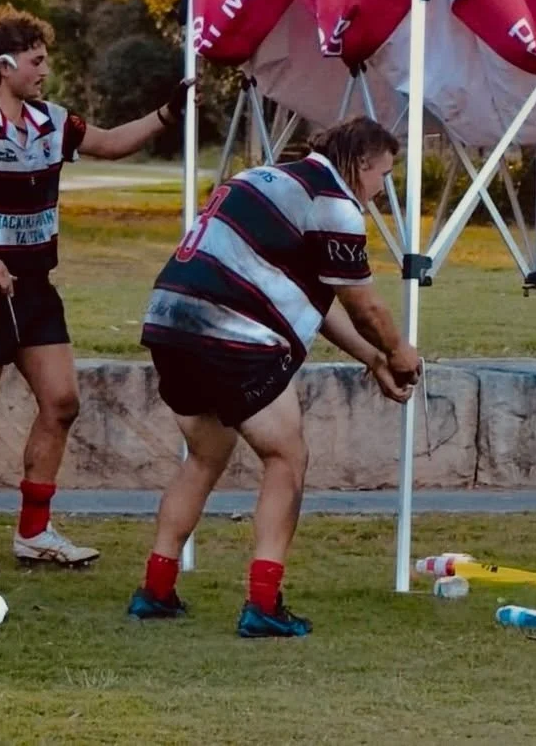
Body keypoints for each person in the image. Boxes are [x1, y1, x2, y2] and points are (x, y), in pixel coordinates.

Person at [0, 5, 191, 573]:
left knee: (62, 403)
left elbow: (110, 143)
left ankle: (34, 532)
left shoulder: (50, 121)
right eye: (36, 62)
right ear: (5, 64)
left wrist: (169, 113)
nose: (44, 71)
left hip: (35, 288)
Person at [127, 116, 422, 638]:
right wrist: (398, 352)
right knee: (287, 457)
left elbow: (311, 297)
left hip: (169, 322)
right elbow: (364, 306)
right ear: (360, 163)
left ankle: (156, 589)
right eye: (384, 173)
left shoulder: (263, 178)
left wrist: (372, 361)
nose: (383, 188)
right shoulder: (335, 205)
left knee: (204, 455)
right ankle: (263, 605)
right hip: (231, 332)